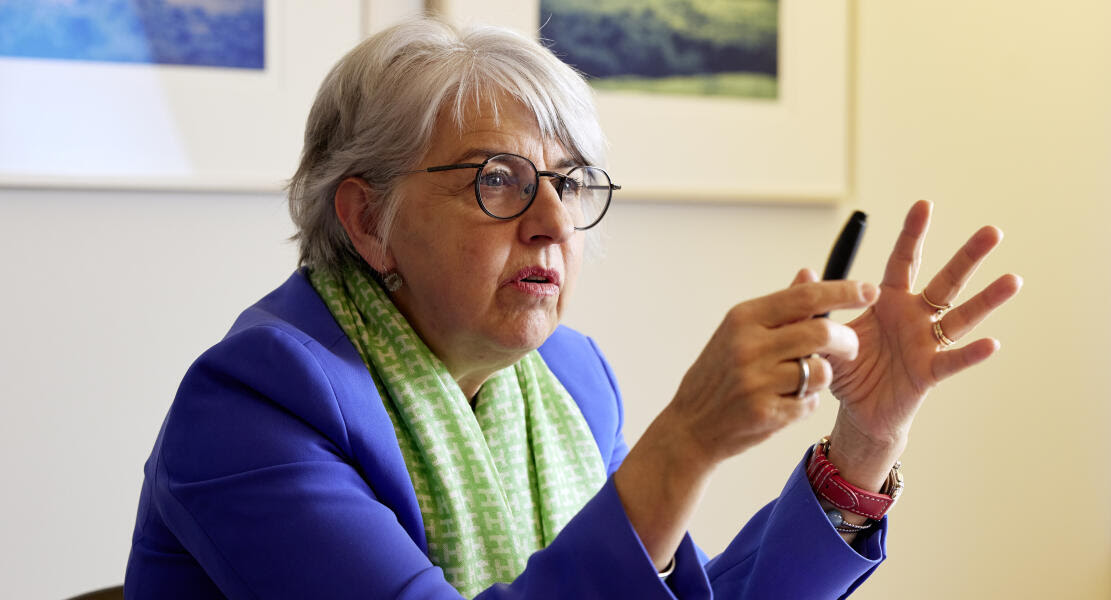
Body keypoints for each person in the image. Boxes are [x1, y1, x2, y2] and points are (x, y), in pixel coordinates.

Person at [124, 17, 1022, 599]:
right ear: (368, 220)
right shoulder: (255, 405)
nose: (554, 221)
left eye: (573, 182)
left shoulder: (566, 377)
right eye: (498, 181)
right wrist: (687, 439)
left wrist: (864, 442)